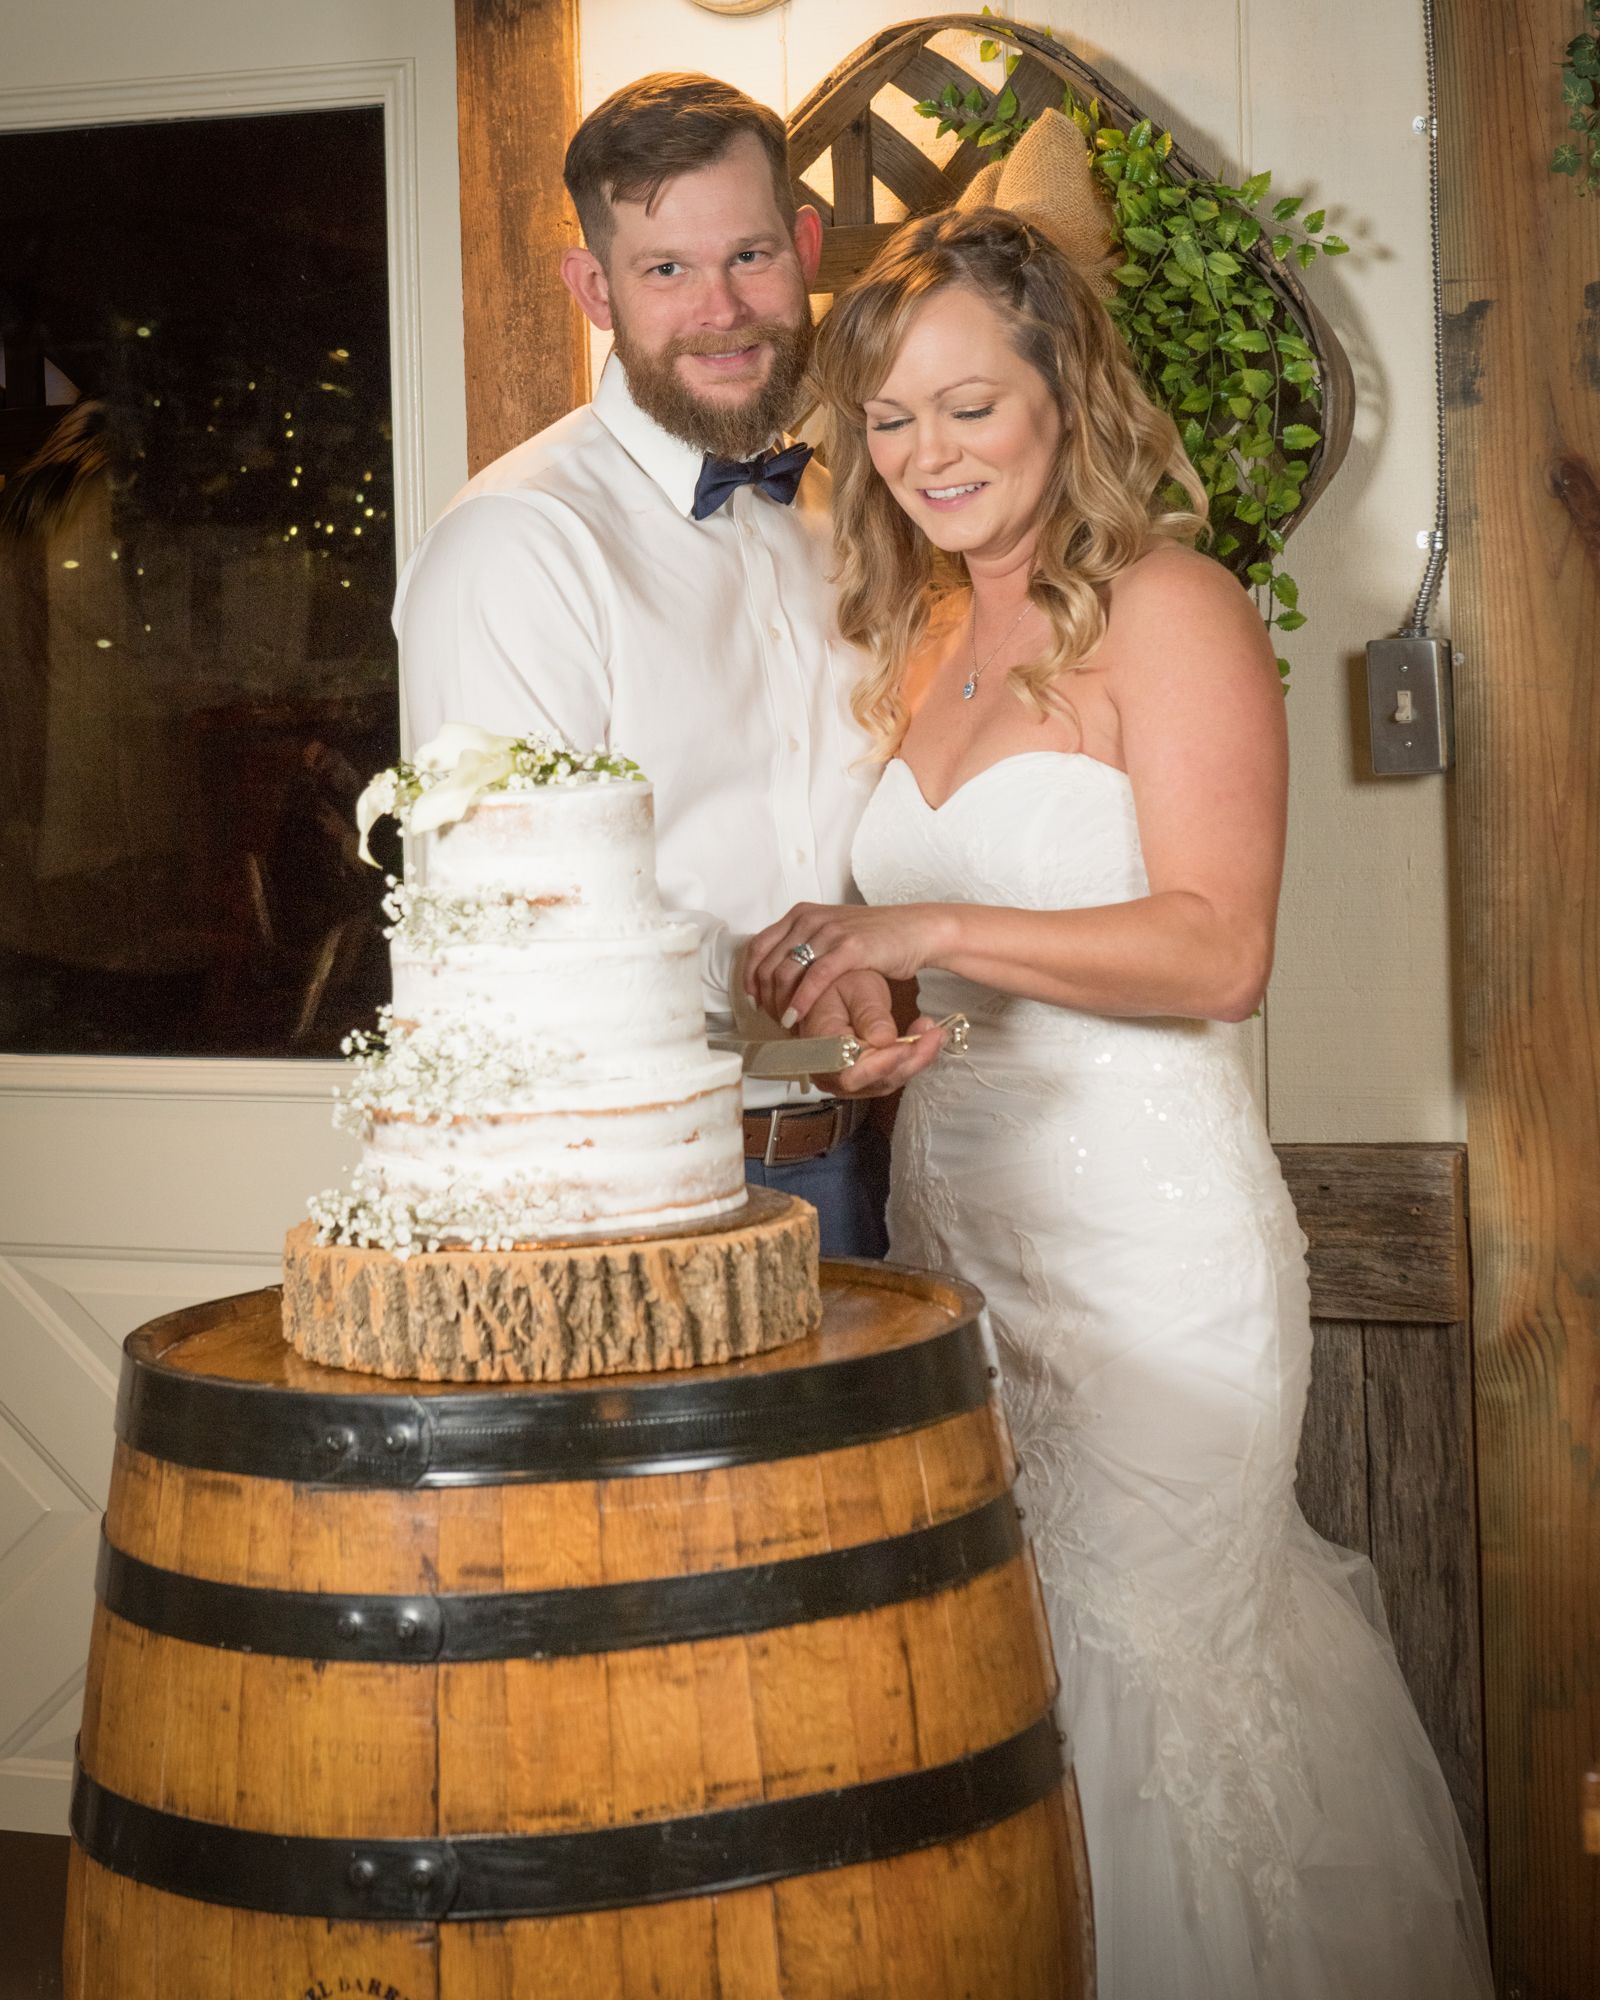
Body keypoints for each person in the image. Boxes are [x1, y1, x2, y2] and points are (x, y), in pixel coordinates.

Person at [745, 170, 1494, 1996]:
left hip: (1157, 1256)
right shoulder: (924, 637)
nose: (927, 454)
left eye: (967, 405)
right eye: (890, 420)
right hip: (961, 1238)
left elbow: (1218, 952)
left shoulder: (1174, 606)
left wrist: (925, 915)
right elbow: (948, 961)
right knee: (1015, 1686)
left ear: (1063, 392)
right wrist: (871, 1004)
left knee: (1158, 1684)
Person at [393, 73, 937, 1257]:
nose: (722, 309)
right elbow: (514, 921)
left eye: (749, 255)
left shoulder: (849, 514)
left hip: (882, 1159)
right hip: (636, 1182)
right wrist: (788, 990)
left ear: (804, 250)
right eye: (666, 269)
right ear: (594, 289)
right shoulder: (517, 545)